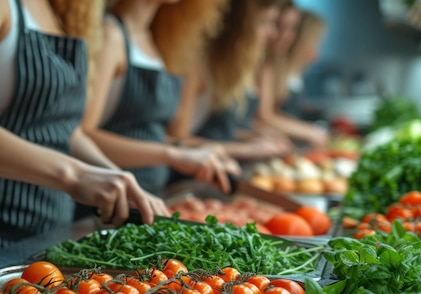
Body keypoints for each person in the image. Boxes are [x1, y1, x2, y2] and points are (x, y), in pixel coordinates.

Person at [0, 0, 166, 272]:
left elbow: (67, 130)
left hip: (48, 243)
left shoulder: (60, 13)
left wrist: (118, 179)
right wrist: (74, 175)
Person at [81, 0, 239, 199]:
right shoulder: (111, 35)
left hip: (150, 197)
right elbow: (83, 134)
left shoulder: (156, 40)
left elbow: (148, 133)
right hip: (110, 200)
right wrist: (172, 155)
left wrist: (192, 148)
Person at [169, 0, 293, 162]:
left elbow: (221, 133)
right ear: (237, 28)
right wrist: (245, 149)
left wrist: (254, 138)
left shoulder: (226, 70)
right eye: (264, 23)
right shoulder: (197, 67)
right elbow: (177, 140)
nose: (272, 33)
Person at [254, 6, 329, 148]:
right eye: (279, 26)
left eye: (291, 28)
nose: (280, 34)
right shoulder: (267, 66)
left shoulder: (272, 67)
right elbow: (264, 116)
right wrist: (310, 132)